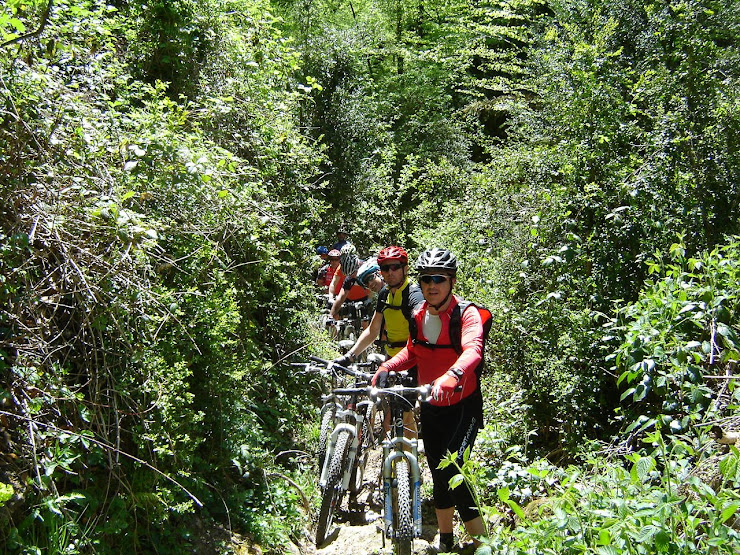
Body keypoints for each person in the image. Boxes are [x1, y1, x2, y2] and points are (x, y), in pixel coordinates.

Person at [372, 248, 486, 552]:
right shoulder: (420, 315)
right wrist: (388, 366)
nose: (431, 285)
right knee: (437, 471)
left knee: (454, 471)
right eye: (426, 279)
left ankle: (482, 543)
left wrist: (454, 374)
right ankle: (446, 538)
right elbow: (413, 351)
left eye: (439, 279)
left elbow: (472, 349)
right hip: (432, 406)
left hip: (464, 407)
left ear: (451, 281)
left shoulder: (466, 313)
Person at [333, 246, 424, 439]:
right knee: (390, 412)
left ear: (405, 268)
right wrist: (350, 356)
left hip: (413, 361)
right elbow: (373, 330)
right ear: (380, 271)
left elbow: (424, 328)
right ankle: (391, 460)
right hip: (391, 358)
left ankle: (409, 460)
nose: (390, 273)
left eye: (395, 267)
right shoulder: (385, 295)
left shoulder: (414, 295)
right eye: (385, 268)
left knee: (406, 415)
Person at [328, 244, 369, 320]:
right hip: (348, 298)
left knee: (365, 319)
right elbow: (339, 294)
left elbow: (375, 288)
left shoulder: (365, 268)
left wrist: (370, 299)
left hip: (364, 297)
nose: (352, 275)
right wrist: (330, 315)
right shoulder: (346, 271)